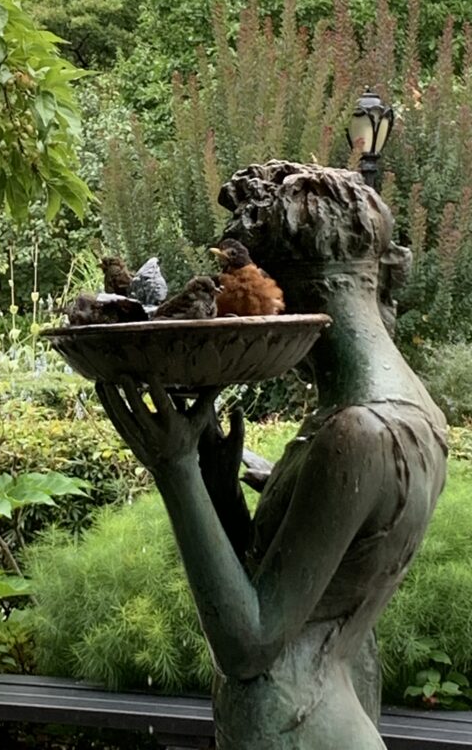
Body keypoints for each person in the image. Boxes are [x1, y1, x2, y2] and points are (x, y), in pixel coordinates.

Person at [96, 162, 447, 750]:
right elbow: (297, 595)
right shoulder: (410, 410)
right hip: (316, 714)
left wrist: (176, 469)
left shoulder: (358, 434)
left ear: (288, 296)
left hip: (296, 727)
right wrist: (222, 489)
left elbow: (248, 646)